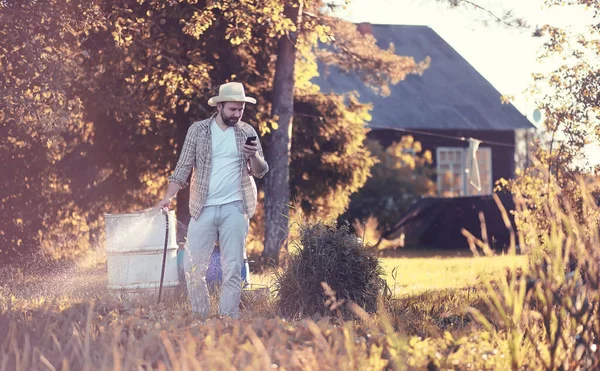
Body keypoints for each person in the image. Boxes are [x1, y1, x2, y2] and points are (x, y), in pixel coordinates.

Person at [157, 82, 268, 319]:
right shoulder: (198, 131)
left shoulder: (247, 131)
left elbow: (260, 170)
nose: (237, 114)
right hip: (203, 208)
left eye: (240, 109)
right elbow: (183, 168)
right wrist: (168, 197)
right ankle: (200, 316)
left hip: (236, 208)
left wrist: (254, 155)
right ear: (219, 106)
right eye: (232, 109)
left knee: (232, 269)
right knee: (193, 268)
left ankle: (227, 320)